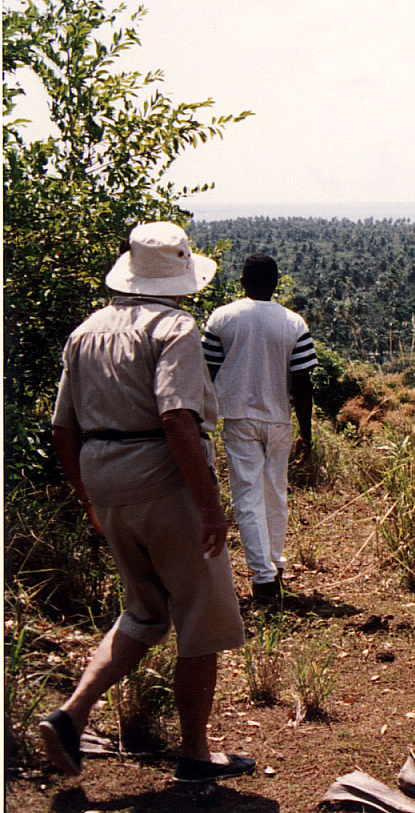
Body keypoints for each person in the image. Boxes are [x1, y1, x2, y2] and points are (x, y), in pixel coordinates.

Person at [40, 221, 256, 784]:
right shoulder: (175, 328)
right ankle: (195, 751)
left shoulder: (86, 332)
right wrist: (210, 509)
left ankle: (71, 714)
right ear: (179, 278)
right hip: (162, 480)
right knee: (201, 613)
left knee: (144, 610)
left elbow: (63, 430)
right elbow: (176, 418)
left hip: (106, 479)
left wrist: (88, 495)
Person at [201, 253, 317, 601]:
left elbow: (208, 372)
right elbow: (302, 381)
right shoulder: (293, 323)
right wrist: (306, 432)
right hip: (279, 416)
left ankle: (263, 579)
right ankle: (275, 566)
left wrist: (202, 419)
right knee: (275, 492)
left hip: (237, 415)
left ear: (242, 282)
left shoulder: (222, 317)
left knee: (247, 494)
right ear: (276, 282)